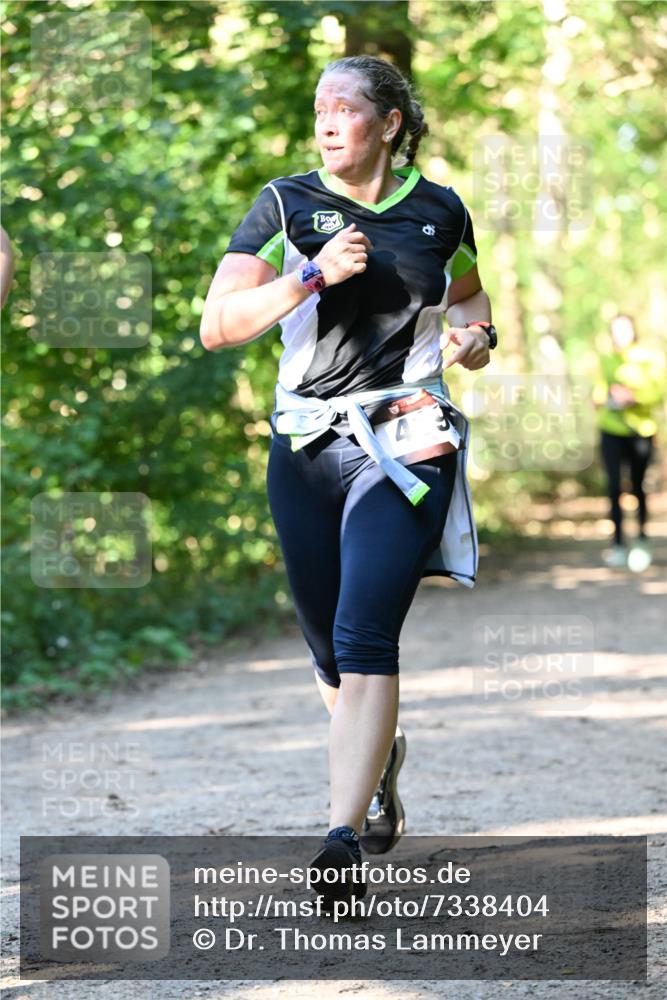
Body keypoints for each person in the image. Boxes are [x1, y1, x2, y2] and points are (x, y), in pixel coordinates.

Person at [200, 55, 495, 908]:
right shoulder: (284, 206)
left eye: (344, 107)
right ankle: (378, 759)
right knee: (328, 647)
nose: (326, 121)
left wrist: (478, 339)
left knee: (366, 633)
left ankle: (339, 837)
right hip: (305, 444)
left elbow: (470, 306)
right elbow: (219, 327)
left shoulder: (442, 212)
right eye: (318, 107)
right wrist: (308, 276)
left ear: (389, 124)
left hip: (407, 436)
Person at [593, 314, 664, 572]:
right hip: (610, 429)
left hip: (641, 431)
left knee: (638, 486)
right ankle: (618, 545)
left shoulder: (648, 359)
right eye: (616, 330)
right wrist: (599, 398)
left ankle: (642, 541)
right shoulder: (606, 359)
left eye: (625, 330)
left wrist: (634, 397)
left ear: (634, 331)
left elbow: (658, 393)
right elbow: (599, 390)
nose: (620, 335)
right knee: (613, 486)